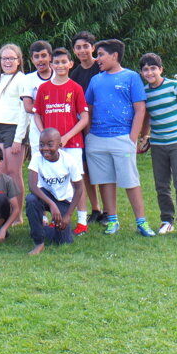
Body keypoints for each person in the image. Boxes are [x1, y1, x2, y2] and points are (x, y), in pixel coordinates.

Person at [85, 39, 155, 237]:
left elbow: (140, 109)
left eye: (101, 54)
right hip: (97, 139)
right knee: (105, 180)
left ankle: (141, 222)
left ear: (114, 56)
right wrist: (89, 135)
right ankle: (112, 220)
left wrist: (133, 137)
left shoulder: (131, 77)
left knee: (130, 180)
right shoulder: (95, 80)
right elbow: (88, 108)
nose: (97, 59)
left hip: (122, 138)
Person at [32, 47, 90, 235]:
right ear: (51, 64)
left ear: (71, 64)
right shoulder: (44, 88)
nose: (60, 65)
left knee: (76, 181)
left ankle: (82, 221)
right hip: (49, 147)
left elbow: (84, 118)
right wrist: (44, 134)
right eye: (56, 62)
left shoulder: (76, 88)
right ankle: (47, 218)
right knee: (45, 180)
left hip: (71, 143)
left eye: (64, 62)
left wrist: (66, 137)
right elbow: (37, 114)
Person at [139, 52, 177, 236]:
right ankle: (167, 220)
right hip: (158, 143)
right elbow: (146, 116)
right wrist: (144, 136)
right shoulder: (145, 92)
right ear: (141, 73)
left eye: (153, 68)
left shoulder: (174, 86)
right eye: (145, 69)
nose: (150, 72)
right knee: (162, 185)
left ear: (161, 69)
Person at [26, 128, 85, 255]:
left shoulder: (68, 160)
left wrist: (68, 215)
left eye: (50, 144)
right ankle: (39, 242)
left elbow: (79, 188)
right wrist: (52, 204)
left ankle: (42, 229)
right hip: (45, 195)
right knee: (31, 199)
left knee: (63, 241)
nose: (45, 148)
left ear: (60, 145)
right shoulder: (37, 157)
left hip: (63, 200)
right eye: (41, 144)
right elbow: (32, 186)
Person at [0, 43, 29, 220]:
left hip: (14, 129)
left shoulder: (22, 79)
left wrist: (18, 139)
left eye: (11, 58)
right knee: (3, 171)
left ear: (19, 60)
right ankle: (6, 211)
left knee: (14, 173)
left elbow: (24, 111)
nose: (7, 62)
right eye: (4, 58)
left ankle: (17, 214)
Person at [70, 31, 105, 224]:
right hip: (84, 127)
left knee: (103, 168)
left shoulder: (102, 67)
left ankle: (109, 210)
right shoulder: (75, 74)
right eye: (78, 47)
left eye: (85, 46)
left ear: (93, 47)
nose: (82, 50)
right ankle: (96, 209)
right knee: (86, 169)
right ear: (74, 51)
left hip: (103, 125)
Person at [22, 40, 54, 156]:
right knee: (39, 161)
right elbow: (28, 107)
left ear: (50, 57)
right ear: (32, 59)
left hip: (57, 125)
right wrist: (51, 103)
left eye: (43, 55)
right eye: (36, 56)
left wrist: (37, 103)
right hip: (36, 131)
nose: (40, 59)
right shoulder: (28, 79)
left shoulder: (58, 75)